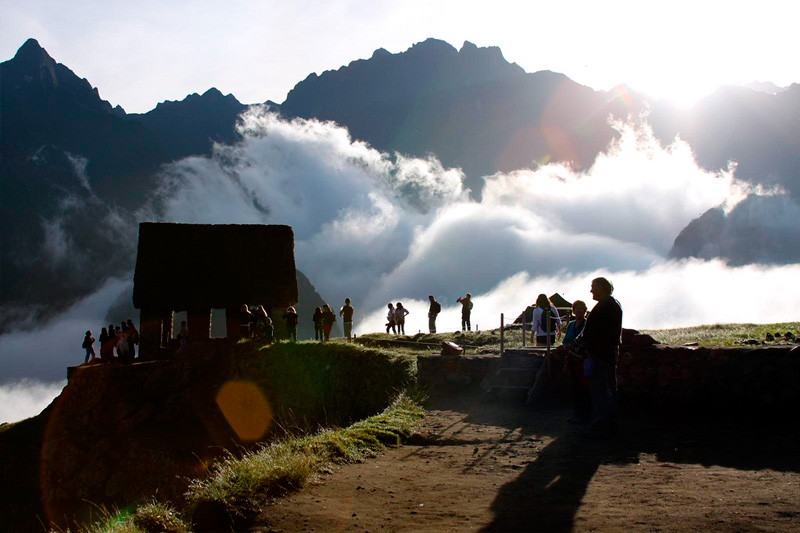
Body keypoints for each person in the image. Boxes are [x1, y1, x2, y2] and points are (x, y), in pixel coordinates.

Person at [574, 277, 623, 437]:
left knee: (601, 389)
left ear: (601, 288)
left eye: (593, 287)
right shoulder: (611, 305)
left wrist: (587, 347)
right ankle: (608, 422)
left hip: (600, 354)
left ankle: (603, 424)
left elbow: (598, 333)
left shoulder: (605, 307)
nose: (591, 291)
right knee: (605, 389)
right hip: (604, 353)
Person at [562, 300, 591, 423]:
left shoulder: (587, 324)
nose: (578, 311)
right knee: (575, 387)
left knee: (584, 387)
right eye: (576, 308)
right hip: (571, 359)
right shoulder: (571, 324)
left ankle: (585, 414)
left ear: (585, 310)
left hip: (582, 359)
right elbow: (566, 340)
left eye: (581, 308)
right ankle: (577, 413)